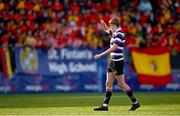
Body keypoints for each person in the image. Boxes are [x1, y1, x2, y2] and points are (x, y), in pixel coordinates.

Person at [94, 17, 140, 111]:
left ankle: (135, 102)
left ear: (115, 25)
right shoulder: (114, 33)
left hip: (118, 62)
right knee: (108, 83)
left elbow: (114, 48)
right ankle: (105, 105)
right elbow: (106, 29)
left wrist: (101, 55)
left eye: (111, 25)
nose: (110, 26)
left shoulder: (119, 34)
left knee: (121, 84)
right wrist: (103, 23)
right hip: (112, 61)